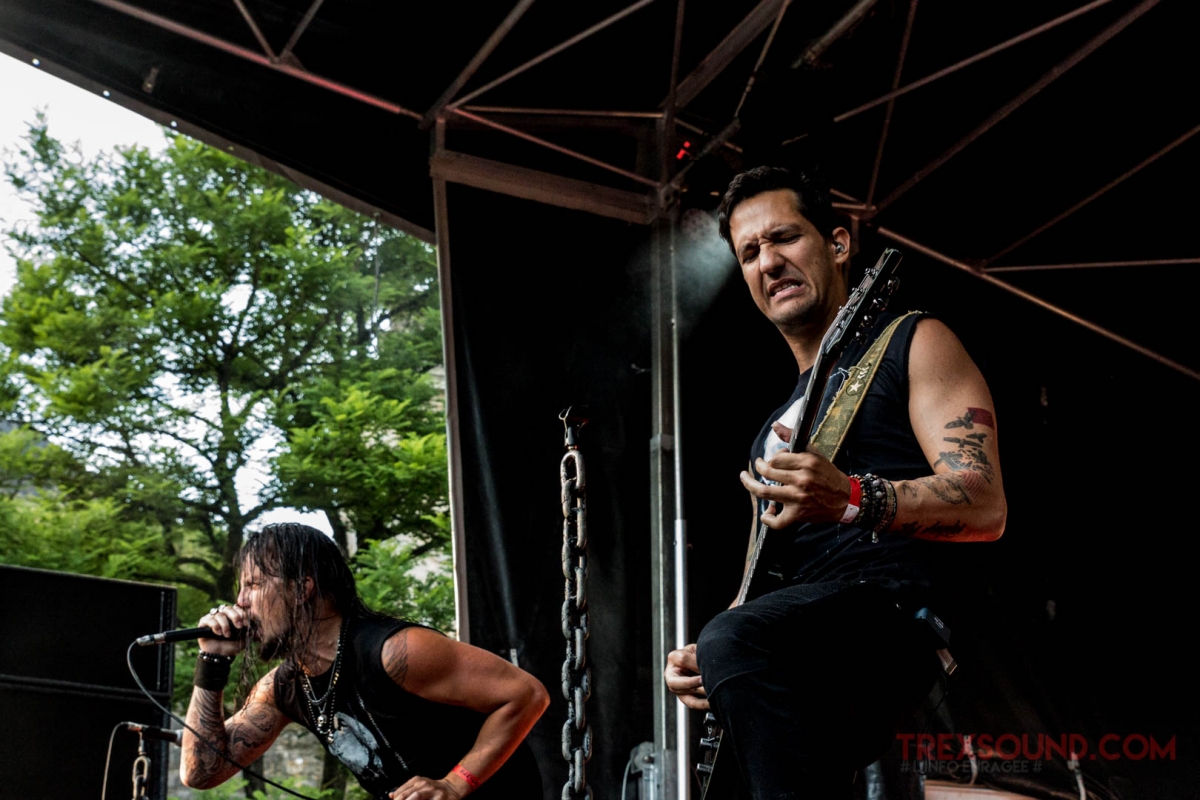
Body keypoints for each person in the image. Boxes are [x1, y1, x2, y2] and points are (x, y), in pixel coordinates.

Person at [663, 165, 1007, 798]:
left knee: (735, 638)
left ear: (839, 243)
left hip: (891, 620)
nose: (768, 262)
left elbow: (985, 504)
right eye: (749, 253)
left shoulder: (912, 341)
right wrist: (701, 656)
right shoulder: (771, 433)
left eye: (784, 237)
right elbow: (761, 580)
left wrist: (851, 498)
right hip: (797, 639)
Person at [181, 522, 549, 800]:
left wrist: (454, 784)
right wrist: (211, 661)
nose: (240, 602)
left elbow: (526, 694)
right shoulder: (284, 688)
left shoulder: (395, 651)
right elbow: (201, 772)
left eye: (254, 585)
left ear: (303, 588)